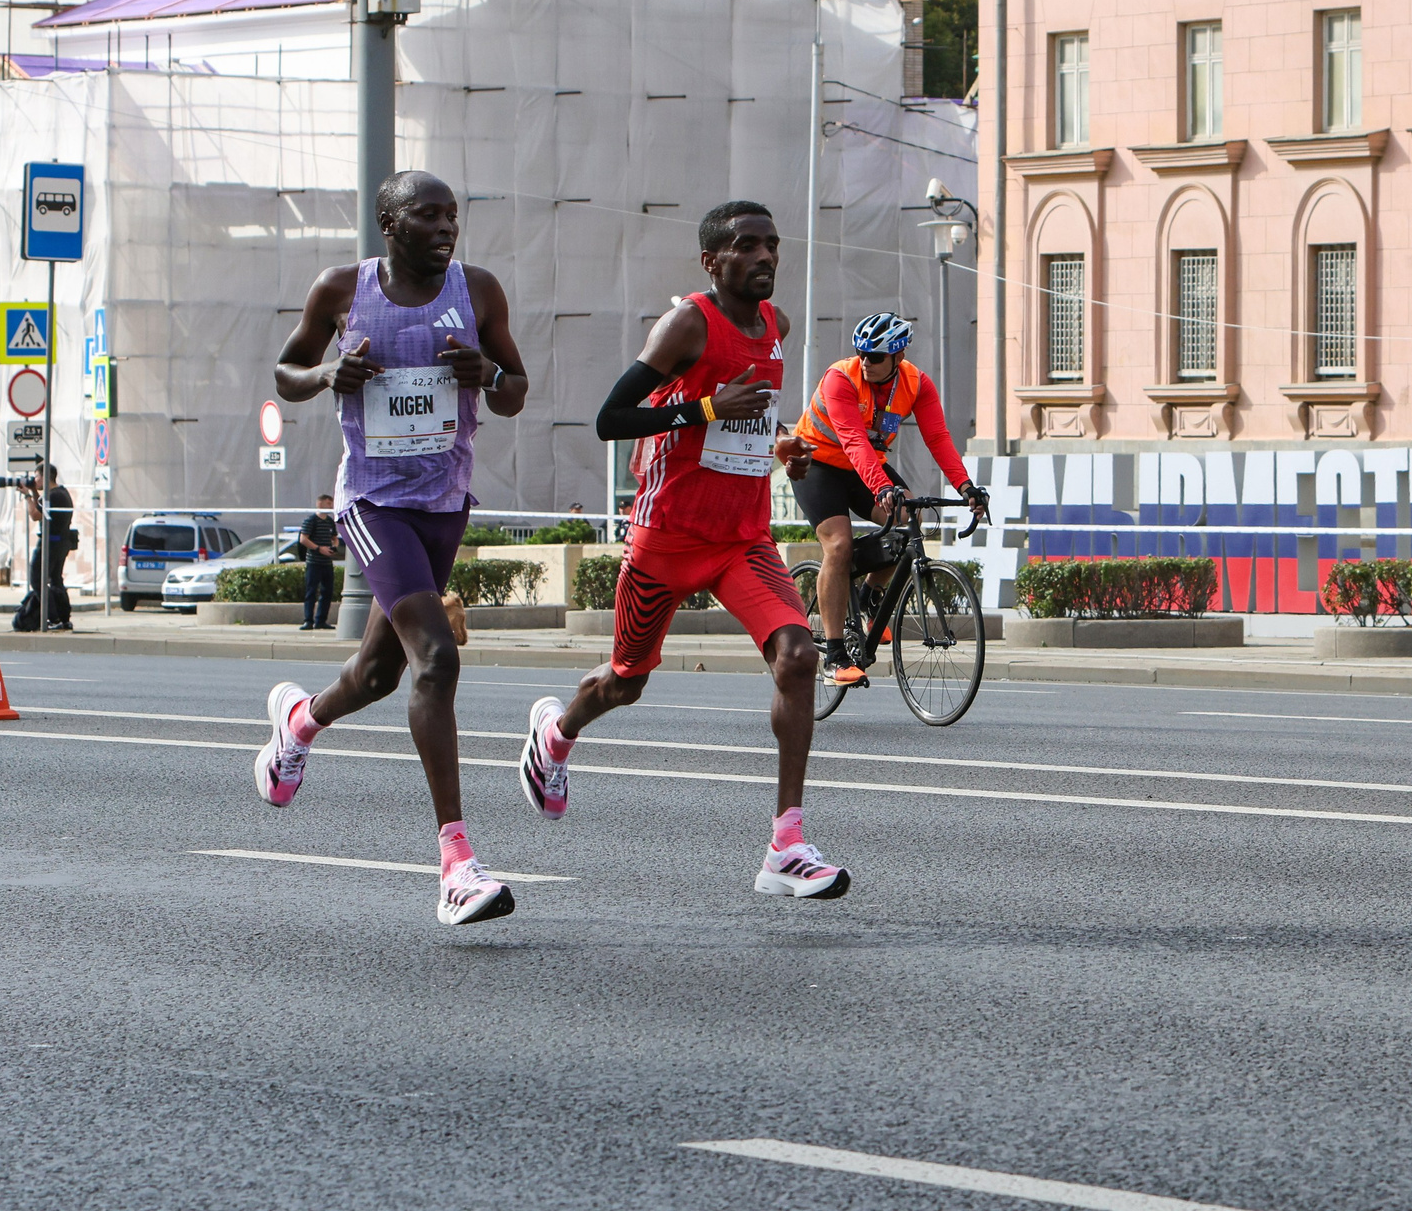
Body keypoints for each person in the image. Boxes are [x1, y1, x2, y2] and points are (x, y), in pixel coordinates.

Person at [516, 201, 852, 900]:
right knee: (626, 681)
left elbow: (752, 412)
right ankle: (557, 732)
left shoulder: (778, 327)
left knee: (799, 655)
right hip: (666, 537)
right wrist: (702, 409)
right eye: (747, 246)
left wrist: (781, 441)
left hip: (741, 539)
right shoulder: (688, 323)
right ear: (712, 262)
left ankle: (785, 844)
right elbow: (612, 418)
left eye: (772, 244)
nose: (765, 257)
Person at [254, 169, 531, 926]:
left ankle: (300, 722)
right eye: (428, 215)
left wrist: (490, 373)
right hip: (374, 503)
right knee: (436, 658)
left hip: (445, 504)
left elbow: (516, 388)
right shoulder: (343, 287)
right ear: (389, 222)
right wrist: (326, 373)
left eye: (452, 215)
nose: (446, 228)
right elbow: (286, 371)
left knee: (378, 674)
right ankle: (456, 864)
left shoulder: (479, 290)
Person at [790, 311, 990, 689]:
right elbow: (852, 439)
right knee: (839, 544)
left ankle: (869, 595)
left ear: (898, 357)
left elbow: (939, 438)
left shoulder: (917, 384)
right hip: (817, 465)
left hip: (864, 468)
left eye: (875, 356)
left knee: (911, 520)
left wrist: (966, 487)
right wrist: (882, 486)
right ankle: (834, 656)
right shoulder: (841, 378)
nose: (865, 362)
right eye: (861, 353)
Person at [13, 464, 75, 631]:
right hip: (61, 543)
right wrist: (34, 491)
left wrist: (27, 496)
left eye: (37, 477)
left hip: (49, 544)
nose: (35, 480)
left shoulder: (51, 496)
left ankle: (53, 618)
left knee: (37, 579)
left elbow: (35, 515)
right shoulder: (62, 493)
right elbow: (43, 509)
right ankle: (63, 618)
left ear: (46, 477)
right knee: (55, 580)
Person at [298, 493, 340, 631]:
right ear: (320, 504)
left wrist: (334, 545)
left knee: (327, 591)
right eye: (328, 503)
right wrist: (318, 548)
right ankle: (308, 620)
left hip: (326, 562)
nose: (331, 506)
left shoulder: (329, 521)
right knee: (311, 591)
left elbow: (334, 537)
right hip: (314, 562)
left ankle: (321, 620)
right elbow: (303, 539)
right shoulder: (311, 520)